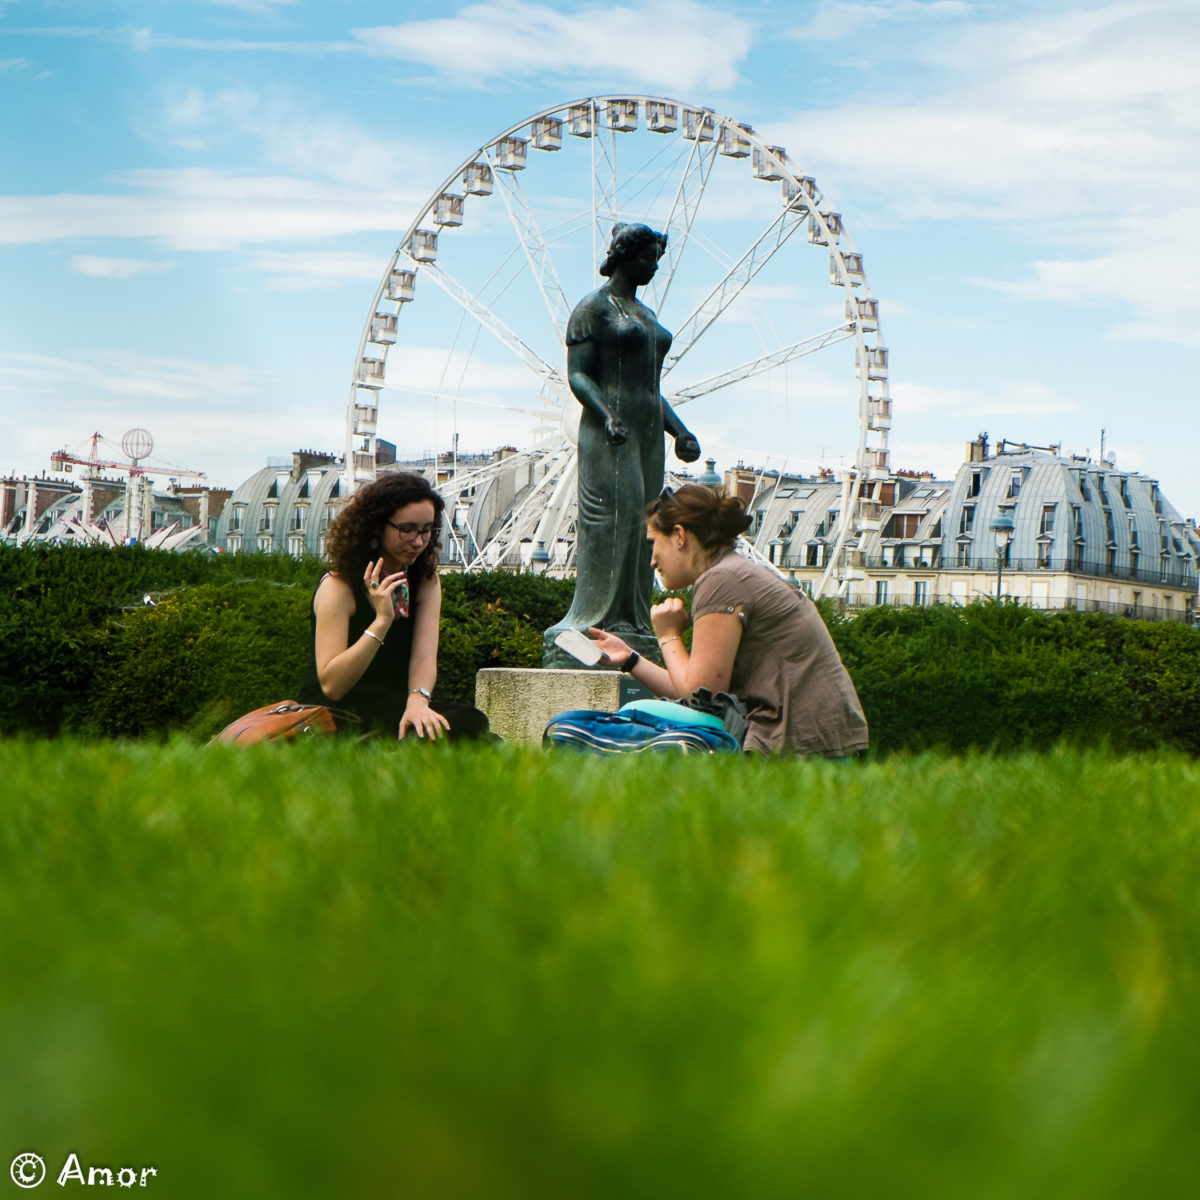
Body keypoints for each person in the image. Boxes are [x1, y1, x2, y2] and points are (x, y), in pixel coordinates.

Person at [586, 484, 869, 758]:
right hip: (818, 736)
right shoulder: (732, 571)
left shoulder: (721, 580)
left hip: (798, 742)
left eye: (653, 543)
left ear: (679, 535)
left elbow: (699, 692)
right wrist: (629, 659)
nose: (652, 561)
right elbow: (697, 692)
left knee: (632, 715)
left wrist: (668, 635)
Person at [549, 223, 701, 643]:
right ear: (624, 256)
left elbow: (651, 390)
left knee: (647, 523)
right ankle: (598, 617)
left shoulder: (646, 315)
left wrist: (680, 431)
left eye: (657, 260)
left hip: (648, 429)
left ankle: (634, 617)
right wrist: (606, 415)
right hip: (609, 432)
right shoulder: (592, 309)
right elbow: (578, 377)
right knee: (618, 520)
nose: (653, 267)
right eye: (647, 259)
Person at [298, 471, 490, 741]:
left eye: (426, 530)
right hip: (337, 712)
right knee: (459, 732)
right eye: (407, 529)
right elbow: (333, 686)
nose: (418, 542)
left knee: (472, 722)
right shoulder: (339, 586)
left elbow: (424, 658)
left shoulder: (425, 581)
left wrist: (418, 701)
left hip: (394, 705)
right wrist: (382, 620)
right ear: (377, 526)